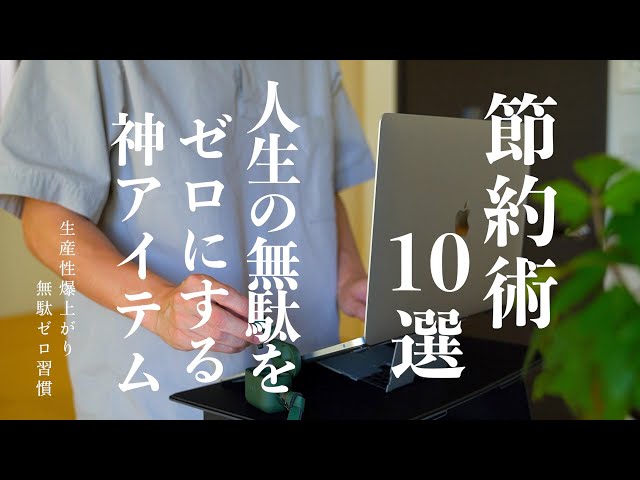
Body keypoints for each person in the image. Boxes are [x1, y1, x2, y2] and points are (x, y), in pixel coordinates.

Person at [0, 60, 374, 419]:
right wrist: (159, 306)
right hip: (158, 394)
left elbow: (316, 182)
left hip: (304, 382)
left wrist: (347, 277)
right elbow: (47, 221)